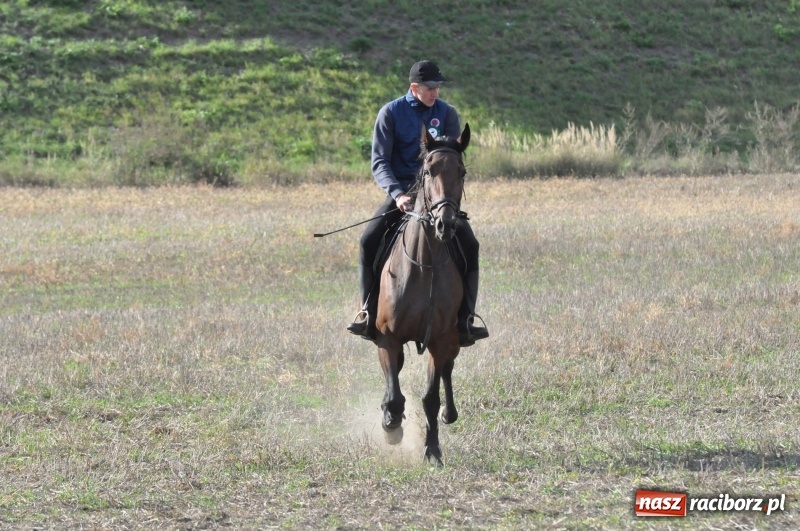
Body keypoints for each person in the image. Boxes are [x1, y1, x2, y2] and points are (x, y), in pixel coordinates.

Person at [347, 59, 489, 347]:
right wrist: (398, 194)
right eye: (430, 87)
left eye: (438, 87)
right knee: (368, 240)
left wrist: (444, 195)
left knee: (470, 244)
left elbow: (451, 157)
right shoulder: (390, 113)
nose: (435, 92)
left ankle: (466, 319)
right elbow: (379, 162)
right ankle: (367, 312)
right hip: (403, 194)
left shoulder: (447, 113)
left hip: (437, 198)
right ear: (414, 88)